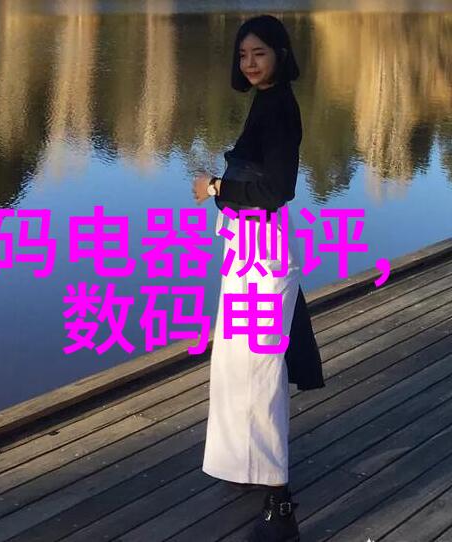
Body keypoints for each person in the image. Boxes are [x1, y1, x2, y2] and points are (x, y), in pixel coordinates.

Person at [192, 14, 325, 542]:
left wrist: (215, 188)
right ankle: (244, 464)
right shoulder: (266, 101)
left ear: (280, 55)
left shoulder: (280, 108)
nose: (249, 63)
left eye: (259, 53)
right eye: (243, 54)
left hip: (263, 256)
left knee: (258, 370)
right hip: (250, 250)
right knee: (235, 360)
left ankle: (280, 503)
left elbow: (277, 190)